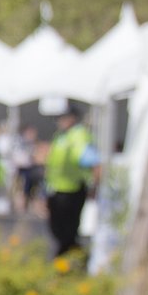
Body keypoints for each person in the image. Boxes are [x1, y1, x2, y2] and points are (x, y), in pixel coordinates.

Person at [45, 107, 97, 261]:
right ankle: (70, 258)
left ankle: (69, 260)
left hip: (72, 189)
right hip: (57, 189)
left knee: (68, 230)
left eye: (63, 118)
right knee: (57, 229)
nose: (59, 121)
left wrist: (94, 186)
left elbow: (92, 161)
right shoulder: (61, 136)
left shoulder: (79, 135)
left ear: (72, 118)